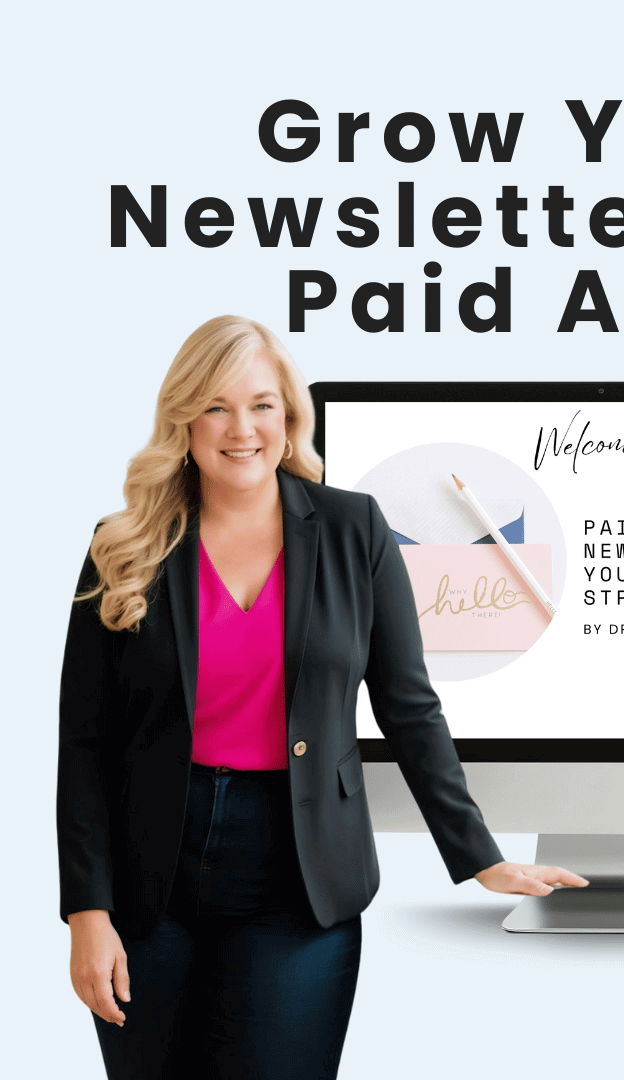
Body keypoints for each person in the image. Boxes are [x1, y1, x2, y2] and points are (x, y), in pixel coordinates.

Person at [58, 315, 588, 1080]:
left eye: (263, 405)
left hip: (297, 876)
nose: (242, 429)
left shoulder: (353, 529)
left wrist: (479, 857)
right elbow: (86, 743)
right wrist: (86, 912)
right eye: (215, 406)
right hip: (147, 882)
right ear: (183, 419)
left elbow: (408, 708)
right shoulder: (124, 543)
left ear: (290, 416)